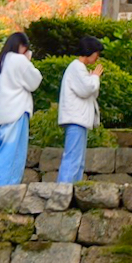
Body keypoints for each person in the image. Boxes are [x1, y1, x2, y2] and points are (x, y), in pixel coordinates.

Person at [0, 30, 40, 190]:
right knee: (11, 153)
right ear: (22, 46)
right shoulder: (19, 60)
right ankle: (4, 189)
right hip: (16, 112)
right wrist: (28, 61)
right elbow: (34, 81)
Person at [55, 46, 102, 185]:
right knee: (72, 157)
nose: (97, 57)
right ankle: (63, 191)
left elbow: (90, 90)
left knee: (78, 159)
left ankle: (72, 190)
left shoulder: (79, 68)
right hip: (76, 119)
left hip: (79, 119)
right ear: (89, 52)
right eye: (96, 54)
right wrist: (95, 77)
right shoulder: (77, 67)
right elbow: (87, 89)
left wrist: (92, 79)